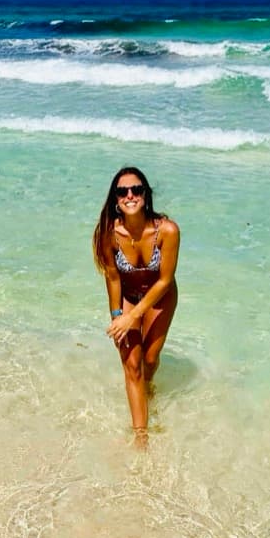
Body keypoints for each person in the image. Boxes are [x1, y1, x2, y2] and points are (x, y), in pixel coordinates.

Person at [92, 166, 179, 446]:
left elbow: (165, 281)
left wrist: (136, 317)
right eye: (122, 192)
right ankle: (141, 435)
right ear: (115, 199)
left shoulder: (167, 230)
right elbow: (114, 278)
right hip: (128, 297)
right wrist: (118, 315)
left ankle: (149, 388)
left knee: (150, 361)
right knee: (132, 366)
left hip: (160, 297)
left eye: (136, 190)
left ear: (145, 194)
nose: (130, 195)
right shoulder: (109, 234)